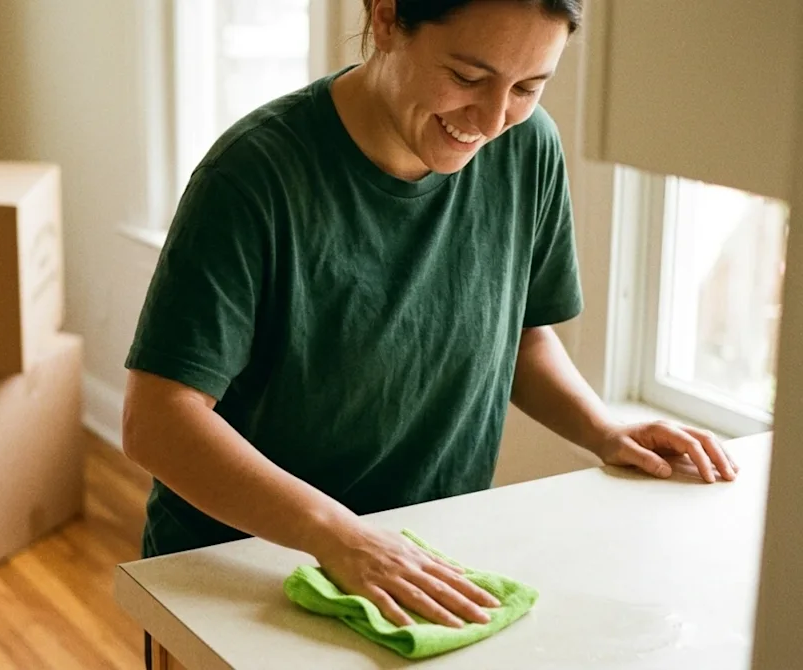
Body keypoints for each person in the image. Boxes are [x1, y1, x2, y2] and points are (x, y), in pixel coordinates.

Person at [123, 0, 739, 664]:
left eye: (529, 86)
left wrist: (602, 428)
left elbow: (521, 335)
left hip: (425, 555)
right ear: (386, 18)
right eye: (469, 76)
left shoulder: (527, 150)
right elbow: (159, 420)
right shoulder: (254, 176)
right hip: (244, 572)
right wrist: (342, 537)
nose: (494, 118)